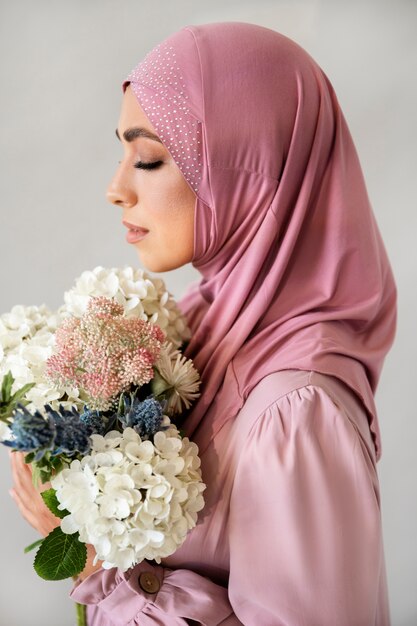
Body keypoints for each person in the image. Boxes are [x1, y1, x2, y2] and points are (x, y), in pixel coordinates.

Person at [9, 21, 397, 626]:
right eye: (124, 154)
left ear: (248, 170)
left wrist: (101, 569)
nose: (116, 188)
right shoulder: (199, 331)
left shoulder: (295, 410)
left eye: (148, 159)